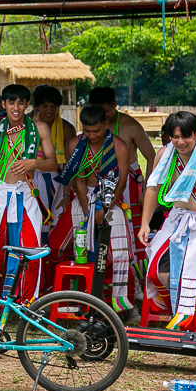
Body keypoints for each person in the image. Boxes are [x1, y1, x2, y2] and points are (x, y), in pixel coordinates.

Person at [48, 105, 134, 316]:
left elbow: (121, 184)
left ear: (106, 125)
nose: (92, 135)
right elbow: (78, 177)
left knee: (119, 253)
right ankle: (68, 295)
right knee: (55, 244)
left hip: (111, 200)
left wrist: (104, 209)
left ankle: (121, 301)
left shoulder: (119, 147)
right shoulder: (75, 144)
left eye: (96, 131)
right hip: (83, 199)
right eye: (87, 131)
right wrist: (88, 210)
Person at [0, 84, 56, 302]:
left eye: (21, 103)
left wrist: (34, 162)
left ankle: (27, 304)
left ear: (27, 105)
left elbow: (53, 163)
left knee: (31, 251)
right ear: (3, 104)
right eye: (11, 102)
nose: (16, 107)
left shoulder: (39, 128)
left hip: (27, 194)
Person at [140, 112, 196, 331]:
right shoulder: (165, 155)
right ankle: (177, 313)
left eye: (185, 136)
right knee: (157, 272)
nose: (180, 142)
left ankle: (190, 325)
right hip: (176, 220)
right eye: (175, 136)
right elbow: (152, 187)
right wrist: (145, 223)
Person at [89, 86, 157, 280]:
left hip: (129, 188)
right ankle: (110, 279)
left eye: (107, 111)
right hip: (100, 187)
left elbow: (151, 156)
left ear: (115, 105)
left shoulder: (130, 125)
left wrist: (147, 189)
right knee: (105, 234)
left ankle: (137, 283)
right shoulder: (92, 125)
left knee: (133, 236)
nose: (104, 117)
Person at [30, 84, 77, 241]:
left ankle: (53, 257)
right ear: (37, 107)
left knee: (57, 220)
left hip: (59, 179)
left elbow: (70, 164)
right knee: (35, 219)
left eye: (53, 106)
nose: (49, 110)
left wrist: (66, 193)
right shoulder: (27, 126)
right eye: (44, 106)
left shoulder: (67, 128)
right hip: (31, 176)